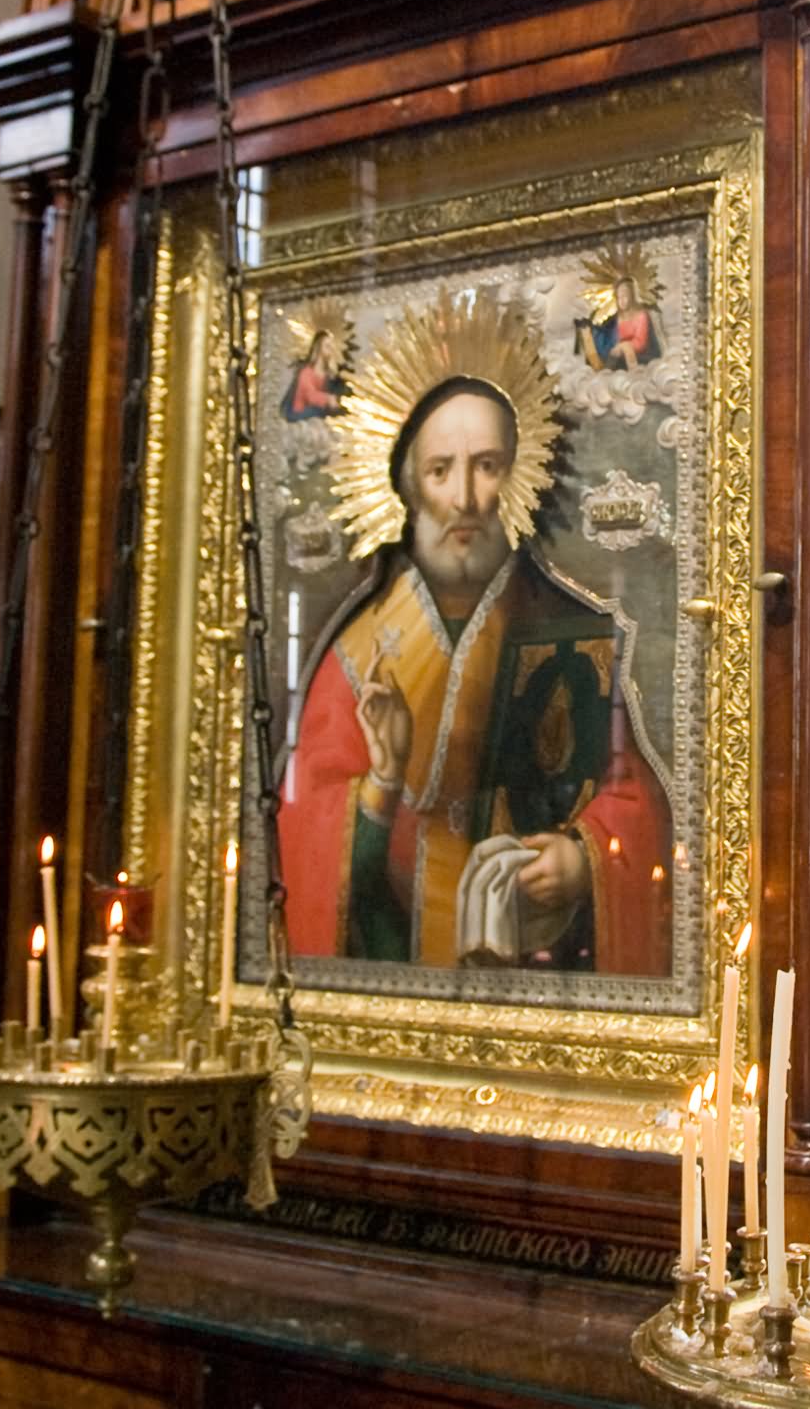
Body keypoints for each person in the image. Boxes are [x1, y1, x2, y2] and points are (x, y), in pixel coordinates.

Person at [277, 365, 673, 975]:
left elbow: (634, 793)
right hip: (403, 965)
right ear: (409, 489)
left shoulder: (568, 625)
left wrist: (579, 858)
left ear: (519, 479)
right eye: (441, 471)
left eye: (487, 466)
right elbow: (304, 833)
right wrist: (381, 784)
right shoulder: (360, 656)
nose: (463, 498)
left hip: (543, 968)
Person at [576, 273, 663, 372]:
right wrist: (588, 328)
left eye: (625, 296)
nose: (621, 301)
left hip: (641, 356)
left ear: (632, 296)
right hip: (618, 357)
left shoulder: (641, 315)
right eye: (619, 297)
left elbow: (641, 343)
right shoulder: (616, 318)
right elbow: (605, 335)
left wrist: (623, 347)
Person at [281, 327, 349, 421]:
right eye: (327, 346)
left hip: (318, 410)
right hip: (300, 413)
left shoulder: (328, 374)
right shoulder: (306, 372)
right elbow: (310, 396)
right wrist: (328, 399)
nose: (331, 350)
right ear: (319, 348)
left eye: (332, 346)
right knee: (318, 411)